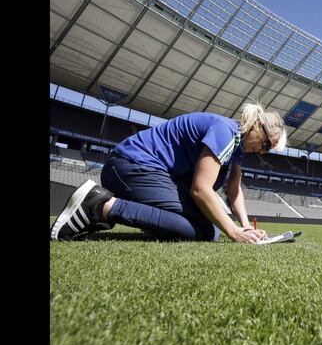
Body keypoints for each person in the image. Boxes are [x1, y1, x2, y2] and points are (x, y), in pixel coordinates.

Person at [50, 101, 287, 244]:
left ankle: (119, 212)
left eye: (268, 150)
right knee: (206, 231)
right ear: (257, 126)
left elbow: (234, 191)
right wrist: (234, 232)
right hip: (130, 165)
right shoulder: (226, 131)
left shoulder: (236, 147)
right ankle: (100, 207)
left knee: (210, 231)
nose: (263, 152)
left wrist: (245, 226)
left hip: (146, 171)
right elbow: (200, 189)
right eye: (266, 144)